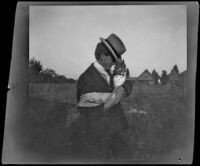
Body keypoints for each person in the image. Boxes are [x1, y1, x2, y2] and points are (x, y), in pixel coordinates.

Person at [72, 34, 133, 161]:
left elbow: (127, 84)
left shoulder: (110, 73)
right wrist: (115, 96)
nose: (115, 62)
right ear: (102, 56)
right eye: (113, 58)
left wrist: (122, 87)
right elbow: (87, 110)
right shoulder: (86, 78)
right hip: (97, 134)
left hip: (114, 129)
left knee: (125, 156)